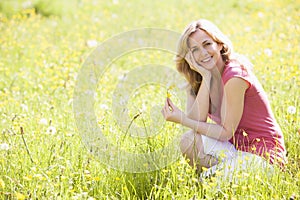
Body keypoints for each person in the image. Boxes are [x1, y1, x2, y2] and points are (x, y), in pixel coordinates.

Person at [161, 19, 287, 172]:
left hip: (264, 155)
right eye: (194, 50)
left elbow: (226, 132)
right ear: (189, 56)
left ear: (219, 44)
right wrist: (206, 78)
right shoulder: (201, 78)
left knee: (210, 186)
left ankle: (220, 178)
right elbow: (196, 123)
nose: (203, 53)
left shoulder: (235, 76)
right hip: (236, 150)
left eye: (207, 44)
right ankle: (224, 175)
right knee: (189, 141)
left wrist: (182, 119)